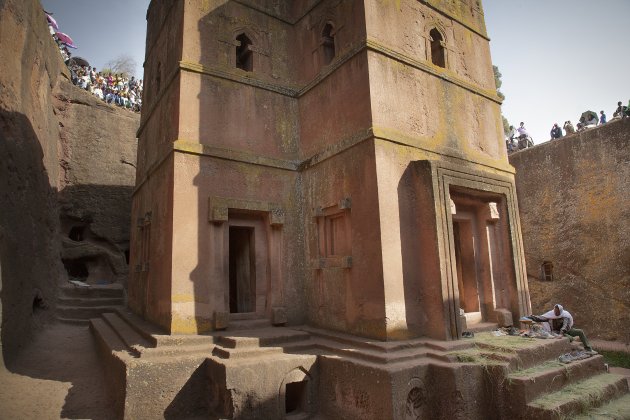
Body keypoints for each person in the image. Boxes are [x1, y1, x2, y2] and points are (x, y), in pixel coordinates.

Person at [528, 304, 597, 354]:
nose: (556, 312)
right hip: (556, 332)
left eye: (557, 311)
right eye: (555, 311)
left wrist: (562, 333)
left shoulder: (565, 315)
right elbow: (541, 318)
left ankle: (588, 349)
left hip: (566, 330)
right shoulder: (551, 315)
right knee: (570, 338)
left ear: (560, 311)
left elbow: (565, 325)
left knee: (580, 331)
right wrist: (531, 317)